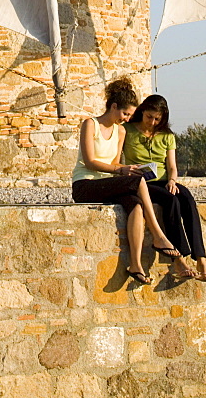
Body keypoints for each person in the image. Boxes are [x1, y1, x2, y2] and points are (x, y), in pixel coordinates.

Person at [71, 77, 184, 286]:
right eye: (125, 113)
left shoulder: (120, 130)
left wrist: (126, 170)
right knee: (136, 182)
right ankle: (158, 235)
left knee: (136, 205)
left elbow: (114, 163)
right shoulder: (90, 124)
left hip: (106, 183)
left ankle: (135, 265)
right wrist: (121, 169)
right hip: (85, 184)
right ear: (113, 106)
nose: (126, 119)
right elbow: (89, 161)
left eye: (130, 115)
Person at [123, 94, 206, 281]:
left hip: (164, 180)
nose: (153, 122)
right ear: (142, 112)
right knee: (170, 201)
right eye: (150, 117)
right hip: (142, 182)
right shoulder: (128, 130)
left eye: (157, 119)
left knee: (187, 199)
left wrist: (172, 180)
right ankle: (178, 257)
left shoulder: (167, 135)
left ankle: (201, 258)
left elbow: (172, 166)